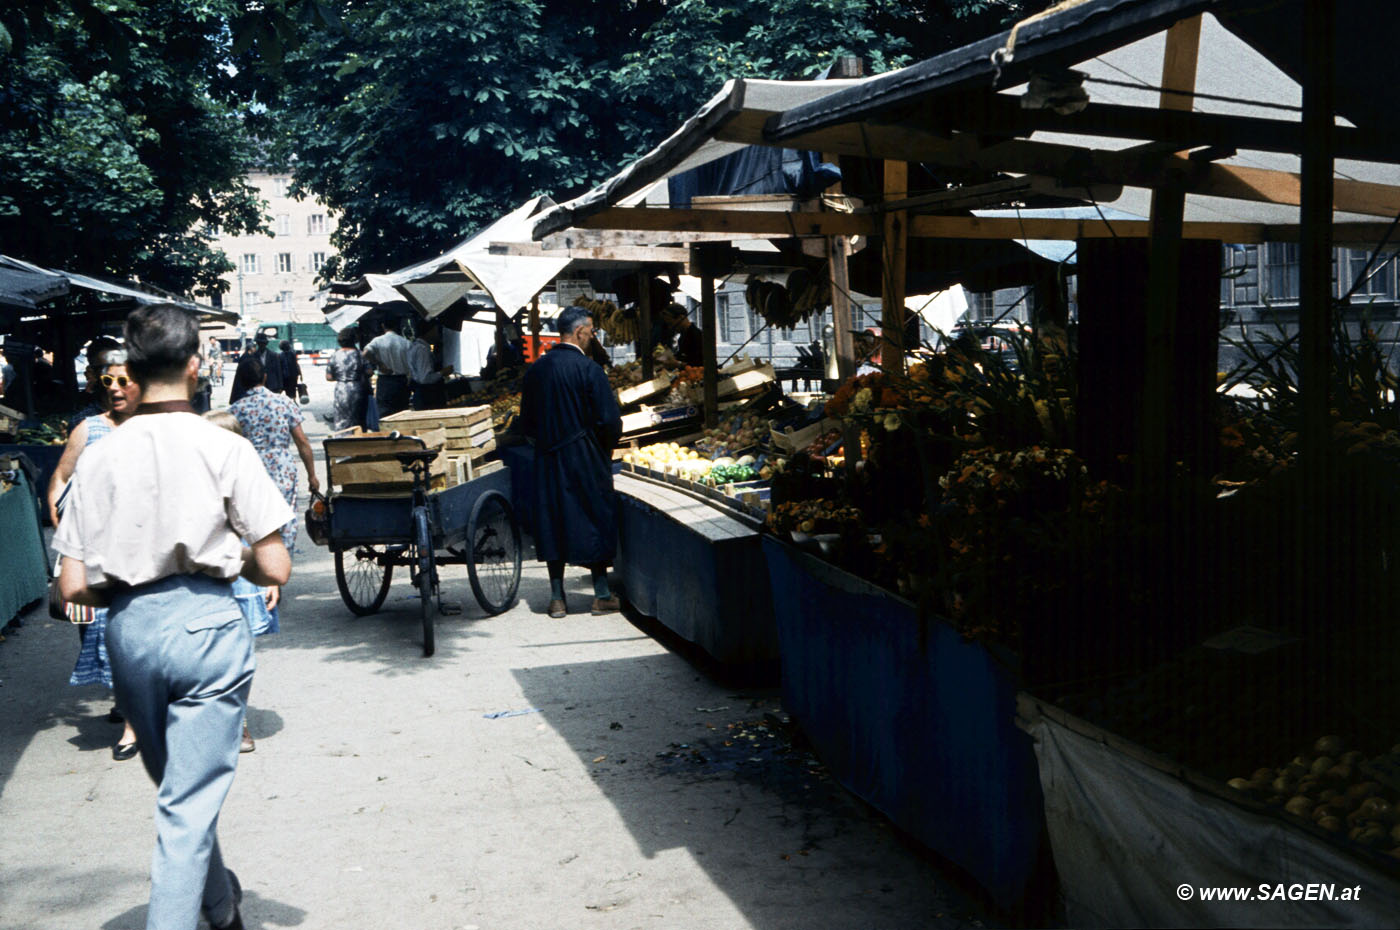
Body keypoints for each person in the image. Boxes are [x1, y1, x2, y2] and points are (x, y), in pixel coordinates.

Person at [55, 302, 293, 930]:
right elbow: (275, 568)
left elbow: (72, 588)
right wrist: (219, 557)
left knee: (180, 794)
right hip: (207, 629)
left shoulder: (98, 454)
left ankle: (219, 908)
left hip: (128, 634)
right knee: (186, 807)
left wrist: (130, 581)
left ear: (130, 370)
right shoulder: (224, 447)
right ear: (196, 366)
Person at [48, 350, 142, 760]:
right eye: (109, 382)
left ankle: (133, 722)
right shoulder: (88, 429)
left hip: (143, 553)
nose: (116, 390)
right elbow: (61, 478)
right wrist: (63, 528)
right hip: (96, 556)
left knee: (135, 633)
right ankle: (127, 703)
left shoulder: (153, 428)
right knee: (102, 634)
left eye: (124, 381)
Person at [519, 305, 623, 618]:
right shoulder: (590, 370)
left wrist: (545, 442)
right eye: (591, 331)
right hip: (586, 456)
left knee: (553, 520)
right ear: (579, 332)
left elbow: (526, 423)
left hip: (548, 457)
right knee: (594, 515)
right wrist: (603, 451)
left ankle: (556, 598)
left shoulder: (536, 370)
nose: (593, 337)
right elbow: (609, 421)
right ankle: (602, 594)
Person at [204, 409, 280, 754]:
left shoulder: (248, 480)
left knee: (238, 657)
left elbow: (267, 538)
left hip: (243, 578)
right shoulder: (192, 482)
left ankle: (238, 723)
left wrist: (269, 579)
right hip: (206, 580)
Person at [228, 357, 321, 553]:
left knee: (254, 521)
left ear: (241, 381)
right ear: (265, 377)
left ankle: (259, 569)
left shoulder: (235, 410)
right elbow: (302, 442)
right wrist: (312, 475)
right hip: (282, 469)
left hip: (250, 472)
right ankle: (280, 567)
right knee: (284, 520)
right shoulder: (284, 403)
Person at [68, 336, 123, 430]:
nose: (117, 372)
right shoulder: (82, 422)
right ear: (91, 373)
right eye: (108, 367)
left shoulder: (140, 413)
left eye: (121, 365)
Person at [362, 316, 412, 417]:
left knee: (385, 414)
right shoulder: (406, 342)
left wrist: (379, 364)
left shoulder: (378, 341)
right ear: (397, 326)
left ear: (383, 326)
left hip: (385, 381)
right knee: (402, 413)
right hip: (402, 381)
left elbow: (365, 353)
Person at [325, 328, 371, 431]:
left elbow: (329, 377)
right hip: (357, 389)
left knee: (342, 416)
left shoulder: (335, 355)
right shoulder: (360, 354)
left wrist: (342, 376)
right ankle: (359, 439)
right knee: (358, 418)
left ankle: (342, 439)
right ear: (354, 339)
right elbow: (369, 372)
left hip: (341, 389)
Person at [407, 321, 452, 410]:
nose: (437, 334)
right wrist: (442, 373)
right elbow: (425, 378)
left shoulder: (415, 346)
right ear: (429, 332)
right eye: (435, 330)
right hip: (427, 396)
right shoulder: (422, 349)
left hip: (422, 393)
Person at [229, 332, 283, 405]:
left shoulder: (273, 355)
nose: (261, 345)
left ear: (266, 344)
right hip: (257, 386)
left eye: (263, 343)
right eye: (260, 343)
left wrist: (280, 386)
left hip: (272, 385)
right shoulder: (253, 356)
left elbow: (278, 371)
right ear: (257, 344)